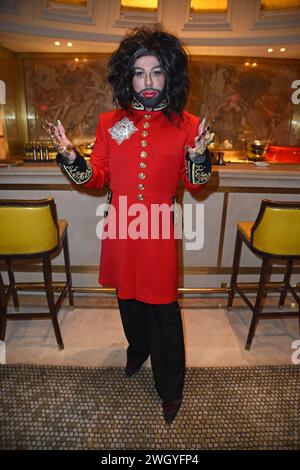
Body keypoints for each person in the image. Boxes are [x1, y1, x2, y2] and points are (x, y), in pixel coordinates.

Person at [51, 26, 213, 424]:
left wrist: (199, 156)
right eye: (140, 73)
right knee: (128, 302)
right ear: (128, 77)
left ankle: (170, 386)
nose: (148, 82)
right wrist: (72, 159)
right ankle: (136, 351)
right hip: (121, 225)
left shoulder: (188, 125)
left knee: (164, 311)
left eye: (156, 72)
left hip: (158, 228)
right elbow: (98, 178)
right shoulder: (111, 123)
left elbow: (195, 184)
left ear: (169, 75)